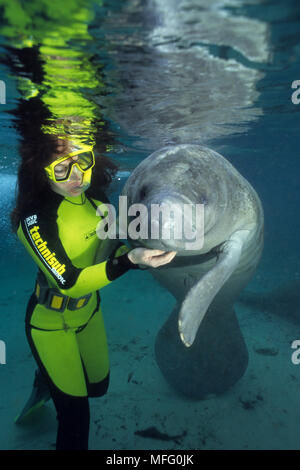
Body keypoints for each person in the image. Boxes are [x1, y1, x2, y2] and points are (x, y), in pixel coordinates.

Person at [11, 134, 176, 450]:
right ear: (41, 170)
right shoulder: (34, 220)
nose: (77, 177)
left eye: (83, 162)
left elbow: (113, 248)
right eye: (62, 169)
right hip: (50, 325)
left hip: (90, 311)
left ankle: (46, 378)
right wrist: (129, 261)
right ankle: (49, 377)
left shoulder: (98, 201)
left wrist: (147, 256)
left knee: (98, 387)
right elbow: (69, 282)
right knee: (75, 419)